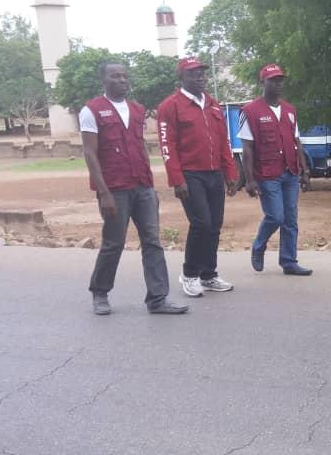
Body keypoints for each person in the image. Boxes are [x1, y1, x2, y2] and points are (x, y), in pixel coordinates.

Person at [81, 62, 188, 315]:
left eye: (124, 76)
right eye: (115, 76)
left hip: (142, 187)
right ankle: (100, 292)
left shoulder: (138, 110)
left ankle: (158, 299)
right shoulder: (91, 110)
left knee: (152, 242)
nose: (121, 80)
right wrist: (103, 192)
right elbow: (89, 152)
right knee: (113, 243)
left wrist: (151, 188)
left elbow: (140, 148)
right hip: (114, 189)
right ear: (104, 80)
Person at [157, 57, 240, 298]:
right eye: (194, 74)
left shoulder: (213, 104)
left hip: (214, 173)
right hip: (190, 175)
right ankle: (190, 274)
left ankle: (209, 274)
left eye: (202, 73)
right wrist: (177, 179)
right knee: (201, 223)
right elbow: (167, 146)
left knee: (214, 225)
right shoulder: (170, 106)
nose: (201, 77)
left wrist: (231, 172)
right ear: (182, 77)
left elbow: (223, 141)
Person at [238, 64, 313, 276]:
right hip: (267, 174)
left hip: (290, 172)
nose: (278, 84)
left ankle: (289, 262)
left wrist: (304, 172)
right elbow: (247, 148)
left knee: (291, 218)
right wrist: (249, 180)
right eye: (273, 80)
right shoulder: (250, 111)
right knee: (275, 217)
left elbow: (297, 142)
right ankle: (258, 246)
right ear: (263, 82)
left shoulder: (290, 110)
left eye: (281, 80)